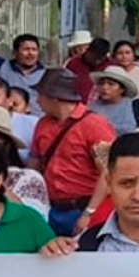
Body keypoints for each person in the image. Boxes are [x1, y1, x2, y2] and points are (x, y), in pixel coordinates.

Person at [29, 68, 116, 236]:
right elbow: (35, 163)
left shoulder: (95, 125)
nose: (37, 101)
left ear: (54, 98)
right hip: (50, 208)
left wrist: (89, 213)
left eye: (40, 95)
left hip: (82, 208)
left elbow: (108, 172)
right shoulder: (43, 124)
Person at [89, 65, 139, 135]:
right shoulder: (91, 109)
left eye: (111, 84)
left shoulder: (136, 107)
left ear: (122, 89)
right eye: (101, 84)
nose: (105, 87)